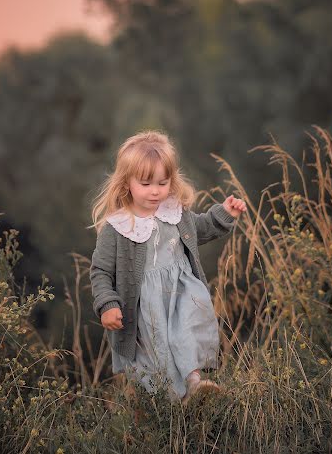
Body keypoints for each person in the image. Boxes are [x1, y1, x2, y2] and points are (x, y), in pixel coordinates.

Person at [89, 130, 247, 404]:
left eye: (163, 182)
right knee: (157, 355)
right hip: (145, 307)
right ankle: (172, 405)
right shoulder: (118, 228)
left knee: (186, 330)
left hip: (181, 292)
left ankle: (196, 383)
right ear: (127, 183)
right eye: (146, 183)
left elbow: (201, 228)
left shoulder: (174, 213)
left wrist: (224, 214)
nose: (156, 191)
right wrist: (107, 304)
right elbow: (100, 271)